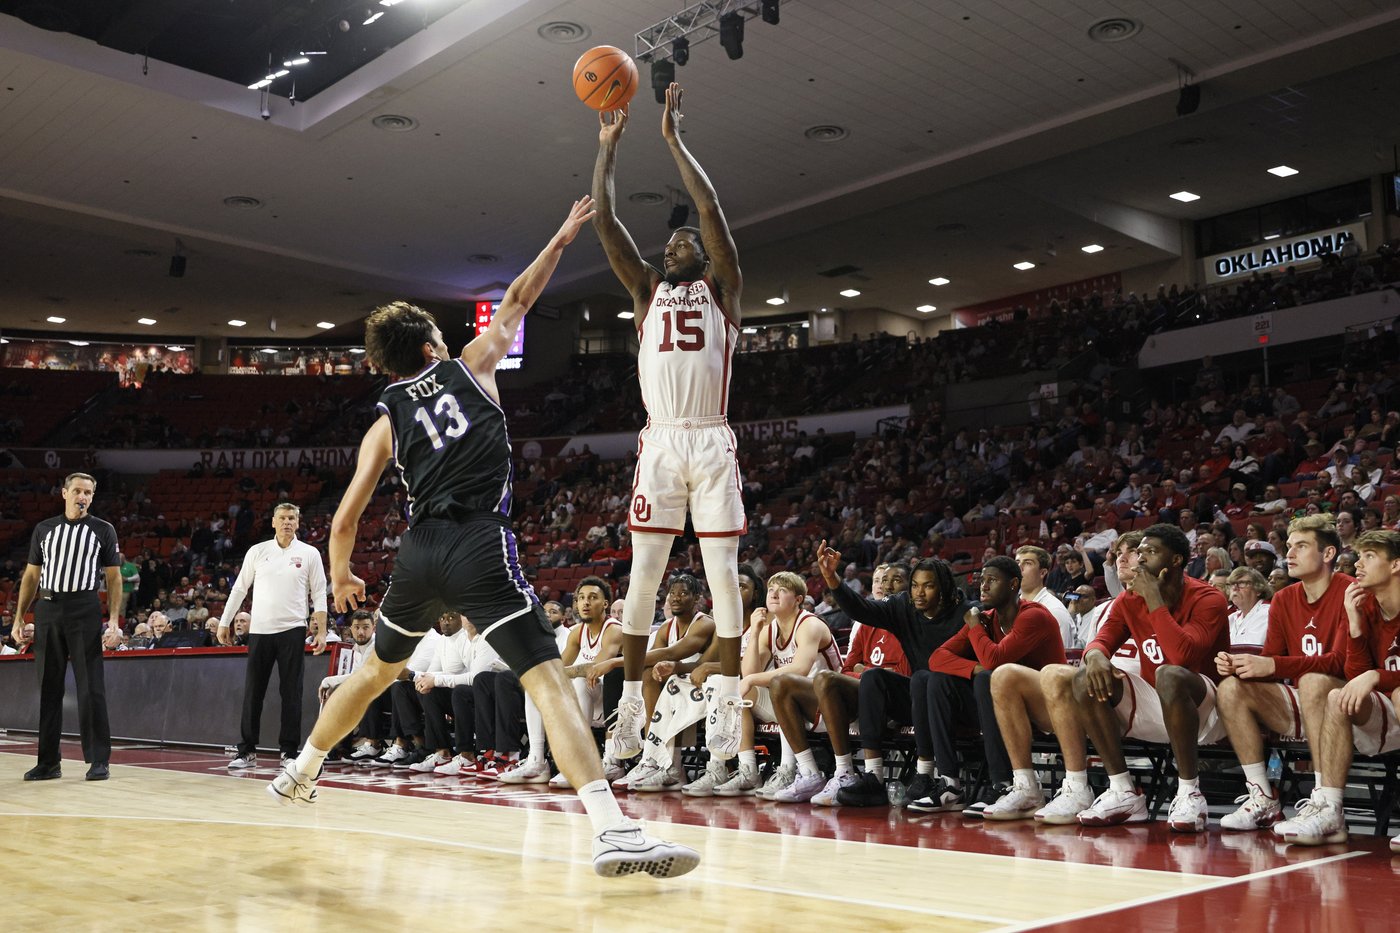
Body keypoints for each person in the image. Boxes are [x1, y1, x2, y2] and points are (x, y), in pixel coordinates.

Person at [265, 197, 697, 878]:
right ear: (430, 347)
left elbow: (343, 520)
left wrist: (343, 574)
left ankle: (301, 769)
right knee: (548, 680)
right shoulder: (471, 363)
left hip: (418, 552)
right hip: (477, 543)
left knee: (376, 672)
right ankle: (612, 828)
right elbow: (519, 298)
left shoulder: (385, 422)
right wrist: (560, 239)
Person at [592, 83, 747, 763]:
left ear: (704, 256)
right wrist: (608, 148)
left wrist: (673, 140)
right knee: (643, 577)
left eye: (685, 242)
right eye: (672, 241)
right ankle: (629, 706)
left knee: (722, 572)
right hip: (660, 438)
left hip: (709, 435)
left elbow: (710, 209)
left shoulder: (723, 288)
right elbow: (605, 221)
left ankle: (728, 702)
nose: (674, 244)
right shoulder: (645, 290)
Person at [1055, 525, 1229, 830]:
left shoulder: (1208, 597)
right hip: (1157, 702)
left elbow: (1182, 657)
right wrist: (1095, 655)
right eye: (1141, 551)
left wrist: (1154, 600)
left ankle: (1190, 791)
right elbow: (1102, 640)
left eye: (1151, 551)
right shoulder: (1129, 599)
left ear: (1175, 560)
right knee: (1083, 678)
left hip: (1208, 711)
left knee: (1170, 674)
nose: (1142, 558)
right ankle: (1123, 791)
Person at [1213, 516, 1350, 830]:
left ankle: (1325, 800)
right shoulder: (1284, 598)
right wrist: (1241, 666)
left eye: (1301, 546)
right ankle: (1262, 796)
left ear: (1328, 553)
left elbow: (1341, 662)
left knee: (1314, 682)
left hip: (1343, 705)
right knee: (1231, 687)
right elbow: (1272, 660)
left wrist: (1273, 665)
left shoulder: (1350, 590)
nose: (1289, 553)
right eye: (1288, 546)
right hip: (1302, 699)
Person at [1275, 530, 1400, 850]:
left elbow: (1367, 677)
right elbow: (1354, 675)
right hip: (1384, 715)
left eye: (1369, 556)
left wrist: (1375, 676)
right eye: (1359, 556)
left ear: (1395, 565)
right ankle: (1330, 810)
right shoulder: (1362, 604)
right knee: (1331, 692)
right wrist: (1355, 626)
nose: (1358, 564)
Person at [915, 557, 1065, 813]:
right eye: (981, 580)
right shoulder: (986, 618)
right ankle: (950, 784)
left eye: (992, 580)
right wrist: (975, 667)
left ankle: (1002, 783)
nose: (983, 586)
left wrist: (975, 629)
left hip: (1047, 709)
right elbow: (937, 658)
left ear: (1013, 584)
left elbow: (994, 660)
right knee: (936, 680)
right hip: (1004, 710)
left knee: (989, 678)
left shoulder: (1033, 616)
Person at [13, 472, 121, 781]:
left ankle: (98, 759)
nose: (82, 496)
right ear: (64, 493)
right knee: (49, 687)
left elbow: (113, 577)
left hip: (84, 607)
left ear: (92, 497)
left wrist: (114, 620)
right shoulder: (44, 529)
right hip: (48, 608)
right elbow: (31, 575)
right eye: (77, 491)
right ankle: (48, 762)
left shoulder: (103, 529)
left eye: (88, 492)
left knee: (91, 686)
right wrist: (20, 616)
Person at [216, 502, 328, 770]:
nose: (287, 522)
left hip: (293, 629)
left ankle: (289, 752)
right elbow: (239, 589)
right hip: (260, 631)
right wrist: (224, 622)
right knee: (253, 692)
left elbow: (319, 593)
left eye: (291, 518)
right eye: (282, 518)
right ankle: (246, 751)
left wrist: (322, 631)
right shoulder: (257, 551)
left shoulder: (309, 553)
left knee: (291, 693)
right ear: (273, 522)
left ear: (298, 523)